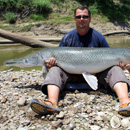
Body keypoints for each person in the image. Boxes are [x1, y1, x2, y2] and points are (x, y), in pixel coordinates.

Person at [30, 6, 130, 116]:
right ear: (75, 19)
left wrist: (122, 65)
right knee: (54, 70)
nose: (81, 19)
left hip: (98, 74)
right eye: (79, 17)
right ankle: (51, 103)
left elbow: (111, 55)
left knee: (116, 69)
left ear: (90, 19)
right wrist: (50, 64)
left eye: (85, 16)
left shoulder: (98, 37)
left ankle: (125, 103)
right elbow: (56, 59)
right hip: (71, 74)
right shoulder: (68, 37)